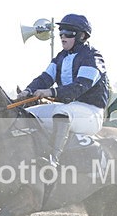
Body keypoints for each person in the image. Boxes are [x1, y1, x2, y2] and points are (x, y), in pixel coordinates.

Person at [17, 14, 109, 167]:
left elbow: (80, 86)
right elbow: (45, 78)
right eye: (61, 33)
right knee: (27, 114)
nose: (62, 37)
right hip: (67, 108)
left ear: (82, 36)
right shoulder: (61, 56)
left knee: (62, 114)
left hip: (91, 113)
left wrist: (52, 92)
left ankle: (53, 160)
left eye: (68, 33)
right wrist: (28, 90)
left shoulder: (92, 57)